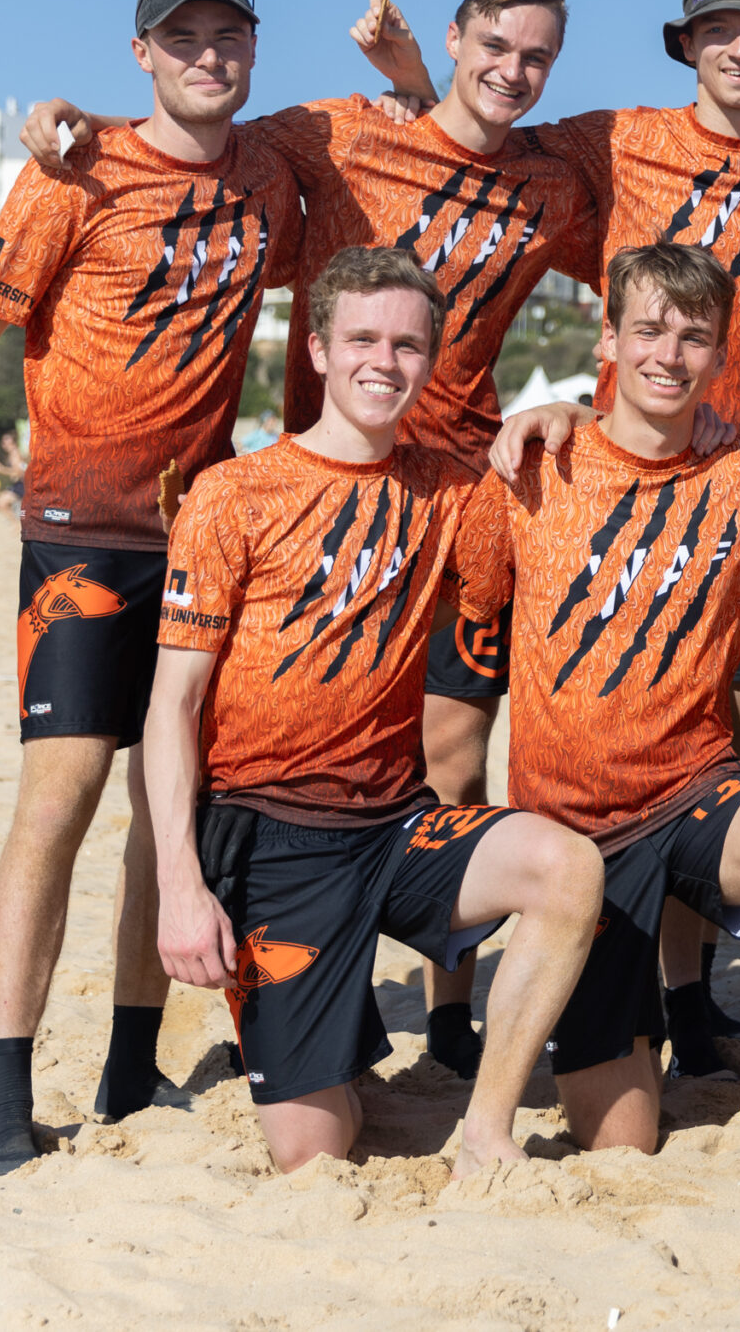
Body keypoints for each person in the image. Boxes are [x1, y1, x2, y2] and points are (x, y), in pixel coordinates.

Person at [23, 0, 611, 1079]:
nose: (515, 69)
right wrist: (85, 126)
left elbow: (640, 279)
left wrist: (580, 402)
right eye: (494, 45)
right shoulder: (335, 135)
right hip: (314, 504)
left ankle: (449, 1010)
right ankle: (196, 1022)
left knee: (450, 756)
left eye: (537, 55)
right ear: (454, 36)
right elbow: (200, 132)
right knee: (263, 761)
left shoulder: (548, 181)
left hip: (456, 497)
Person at [0, 0, 303, 1174]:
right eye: (181, 38)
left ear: (251, 49)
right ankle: (7, 1094)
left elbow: (405, 135)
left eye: (227, 37)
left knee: (167, 805)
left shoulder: (276, 171)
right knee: (62, 797)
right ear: (142, 54)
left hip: (201, 531)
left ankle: (134, 1069)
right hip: (79, 533)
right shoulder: (71, 171)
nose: (207, 56)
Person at [145, 246, 605, 1177]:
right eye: (361, 338)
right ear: (315, 348)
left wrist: (573, 412)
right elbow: (172, 706)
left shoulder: (450, 491)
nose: (382, 362)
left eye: (406, 345)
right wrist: (180, 887)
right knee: (313, 1150)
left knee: (567, 868)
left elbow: (569, 511)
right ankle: (328, 1042)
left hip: (395, 826)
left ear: (430, 362)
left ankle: (484, 1126)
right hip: (270, 838)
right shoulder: (232, 495)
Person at [467, 243, 740, 1185]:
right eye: (647, 328)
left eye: (694, 337)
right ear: (607, 336)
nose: (669, 354)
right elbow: (466, 597)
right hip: (572, 842)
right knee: (622, 1140)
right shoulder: (534, 468)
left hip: (693, 796)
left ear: (721, 356)